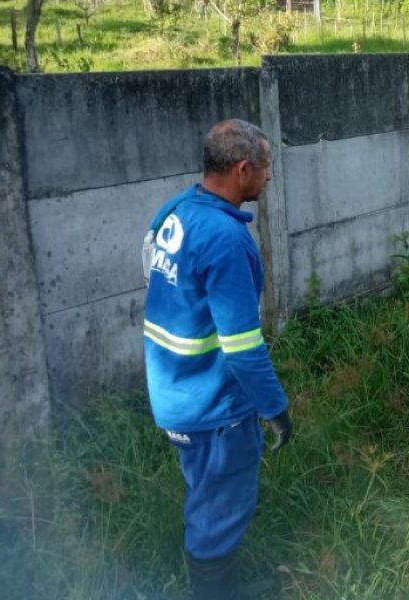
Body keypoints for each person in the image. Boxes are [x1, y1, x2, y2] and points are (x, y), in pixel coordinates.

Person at [142, 119, 293, 599]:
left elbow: (149, 260)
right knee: (221, 508)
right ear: (244, 169)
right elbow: (244, 350)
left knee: (206, 496)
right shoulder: (226, 241)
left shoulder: (178, 210)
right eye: (266, 168)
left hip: (174, 389)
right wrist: (275, 408)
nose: (269, 178)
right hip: (213, 406)